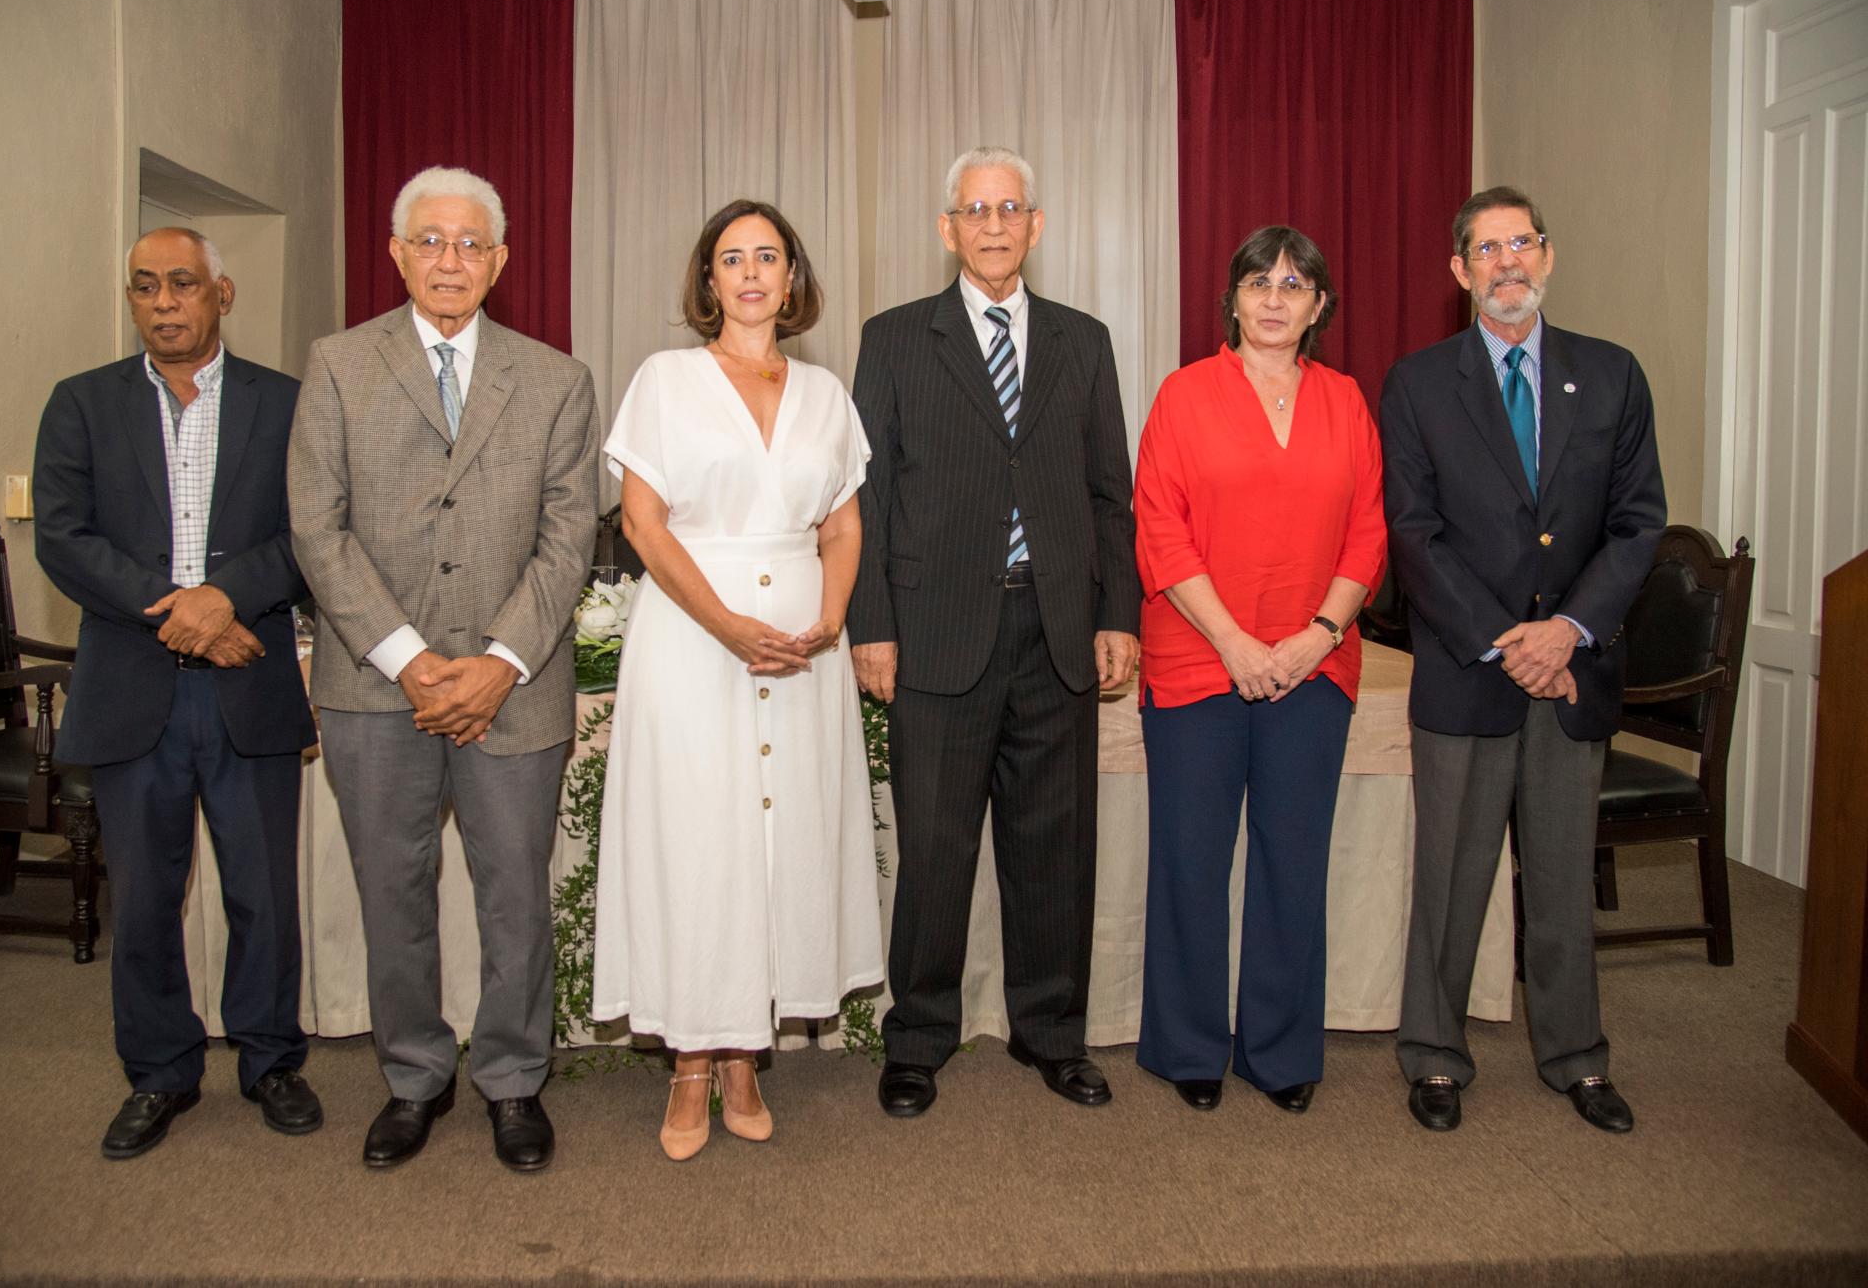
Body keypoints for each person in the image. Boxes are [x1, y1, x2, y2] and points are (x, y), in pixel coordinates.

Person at [287, 166, 599, 1172]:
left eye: (471, 243)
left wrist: (500, 662)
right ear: (396, 252)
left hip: (518, 686)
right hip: (374, 687)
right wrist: (411, 660)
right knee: (394, 889)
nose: (450, 259)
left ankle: (512, 1079)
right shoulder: (336, 365)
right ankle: (413, 1077)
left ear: (500, 260)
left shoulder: (555, 379)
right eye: (430, 240)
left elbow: (568, 538)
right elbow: (315, 529)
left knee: (514, 894)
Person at [849, 146, 1141, 1118]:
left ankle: (1051, 1035)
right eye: (973, 210)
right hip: (935, 635)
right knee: (933, 852)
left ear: (1034, 224)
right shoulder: (893, 340)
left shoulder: (1082, 340)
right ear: (947, 229)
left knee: (1053, 850)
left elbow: (1110, 495)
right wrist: (872, 628)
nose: (991, 224)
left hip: (1056, 629)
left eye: (1008, 207)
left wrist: (1115, 614)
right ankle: (918, 1039)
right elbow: (871, 497)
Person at [592, 200, 883, 1161]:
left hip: (803, 646)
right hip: (690, 642)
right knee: (698, 840)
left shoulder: (827, 392)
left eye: (768, 256)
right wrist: (726, 627)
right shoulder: (666, 381)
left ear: (792, 277)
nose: (751, 272)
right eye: (731, 258)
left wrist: (832, 619)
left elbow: (842, 528)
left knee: (778, 841)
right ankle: (688, 1058)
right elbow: (642, 524)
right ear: (707, 280)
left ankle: (746, 1052)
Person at [1383, 186, 1665, 1135]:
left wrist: (1567, 631)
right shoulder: (1419, 383)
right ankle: (1433, 1054)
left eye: (1522, 244)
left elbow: (1636, 524)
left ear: (1548, 256)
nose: (1508, 262)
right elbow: (1414, 534)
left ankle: (1577, 1056)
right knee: (1451, 879)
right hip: (1470, 668)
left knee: (1558, 877)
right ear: (1459, 272)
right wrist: (1507, 638)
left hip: (1573, 670)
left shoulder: (1613, 375)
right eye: (1486, 249)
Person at [33, 227, 320, 1159]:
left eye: (182, 284)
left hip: (249, 682)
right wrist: (183, 611)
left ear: (222, 294)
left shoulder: (287, 403)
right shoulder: (80, 404)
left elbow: (313, 533)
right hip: (133, 687)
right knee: (147, 899)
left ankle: (272, 1058)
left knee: (264, 894)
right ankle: (159, 1071)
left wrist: (226, 597)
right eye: (145, 287)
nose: (163, 302)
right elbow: (64, 539)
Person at [1131, 226, 1386, 1115]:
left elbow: (1369, 531)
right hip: (1200, 661)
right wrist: (1235, 642)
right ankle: (1189, 1044)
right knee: (1191, 862)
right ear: (1232, 298)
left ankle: (1279, 1051)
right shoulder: (1183, 395)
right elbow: (1159, 529)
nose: (1275, 298)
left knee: (1292, 861)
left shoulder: (1347, 401)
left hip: (1314, 668)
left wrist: (1318, 634)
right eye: (1258, 281)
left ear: (1319, 305)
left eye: (1295, 283)